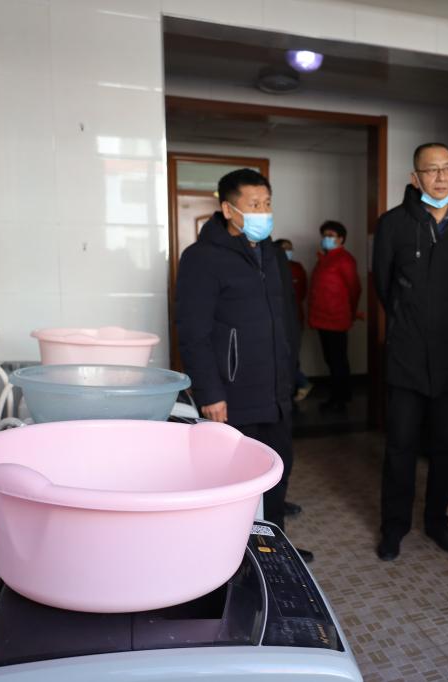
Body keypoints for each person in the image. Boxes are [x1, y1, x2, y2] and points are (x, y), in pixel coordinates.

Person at [175, 168, 312, 561]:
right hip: (233, 395)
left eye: (267, 204)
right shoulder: (202, 258)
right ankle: (234, 558)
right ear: (228, 209)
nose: (262, 212)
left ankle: (273, 551)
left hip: (276, 390)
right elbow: (193, 332)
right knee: (236, 482)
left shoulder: (272, 254)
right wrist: (210, 393)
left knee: (278, 471)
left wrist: (292, 374)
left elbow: (287, 319)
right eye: (254, 205)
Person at [372, 142, 448, 561]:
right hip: (406, 355)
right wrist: (411, 321)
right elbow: (383, 285)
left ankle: (438, 521)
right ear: (415, 177)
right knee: (400, 447)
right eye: (431, 170)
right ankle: (394, 526)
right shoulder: (393, 224)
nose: (441, 177)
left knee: (445, 447)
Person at [307, 221, 362, 413]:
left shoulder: (345, 259)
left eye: (330, 235)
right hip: (322, 318)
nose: (326, 238)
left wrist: (351, 313)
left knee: (337, 360)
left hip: (336, 319)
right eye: (324, 235)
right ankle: (341, 395)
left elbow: (355, 289)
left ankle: (339, 398)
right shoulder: (324, 259)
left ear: (341, 238)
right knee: (331, 360)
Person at [274, 238, 313, 403]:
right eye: (284, 249)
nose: (288, 252)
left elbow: (302, 292)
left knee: (292, 355)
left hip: (295, 318)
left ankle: (299, 384)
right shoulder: (272, 267)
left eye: (290, 248)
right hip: (278, 320)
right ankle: (298, 385)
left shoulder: (297, 268)